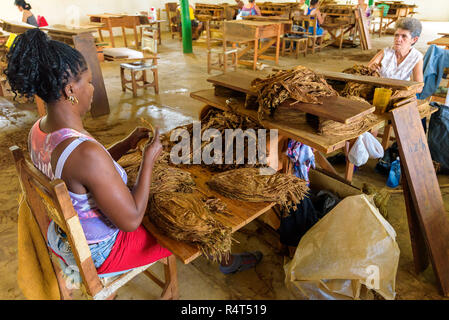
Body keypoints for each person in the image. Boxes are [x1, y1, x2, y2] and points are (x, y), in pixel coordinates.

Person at [6, 28, 262, 276]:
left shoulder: (39, 130)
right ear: (70, 90)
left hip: (64, 236)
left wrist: (124, 145)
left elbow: (81, 173)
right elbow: (131, 221)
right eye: (89, 81)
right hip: (104, 250)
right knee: (189, 210)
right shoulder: (85, 153)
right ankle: (227, 260)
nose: (93, 89)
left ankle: (224, 258)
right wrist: (148, 160)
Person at [368, 17, 423, 90]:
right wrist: (373, 72)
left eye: (404, 36)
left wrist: (402, 91)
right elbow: (365, 72)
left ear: (414, 39)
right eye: (396, 35)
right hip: (380, 90)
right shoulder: (386, 52)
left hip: (400, 93)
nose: (398, 39)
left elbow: (419, 88)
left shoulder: (416, 57)